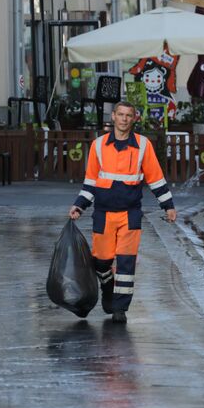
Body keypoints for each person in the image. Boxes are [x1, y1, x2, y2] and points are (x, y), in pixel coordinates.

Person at [69, 101, 177, 324]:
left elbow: (155, 178)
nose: (124, 119)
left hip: (130, 213)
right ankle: (108, 286)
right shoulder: (98, 146)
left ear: (134, 118)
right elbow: (90, 181)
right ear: (113, 117)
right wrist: (79, 205)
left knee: (126, 264)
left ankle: (120, 309)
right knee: (100, 261)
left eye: (129, 115)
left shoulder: (143, 146)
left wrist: (168, 206)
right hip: (103, 213)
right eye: (121, 114)